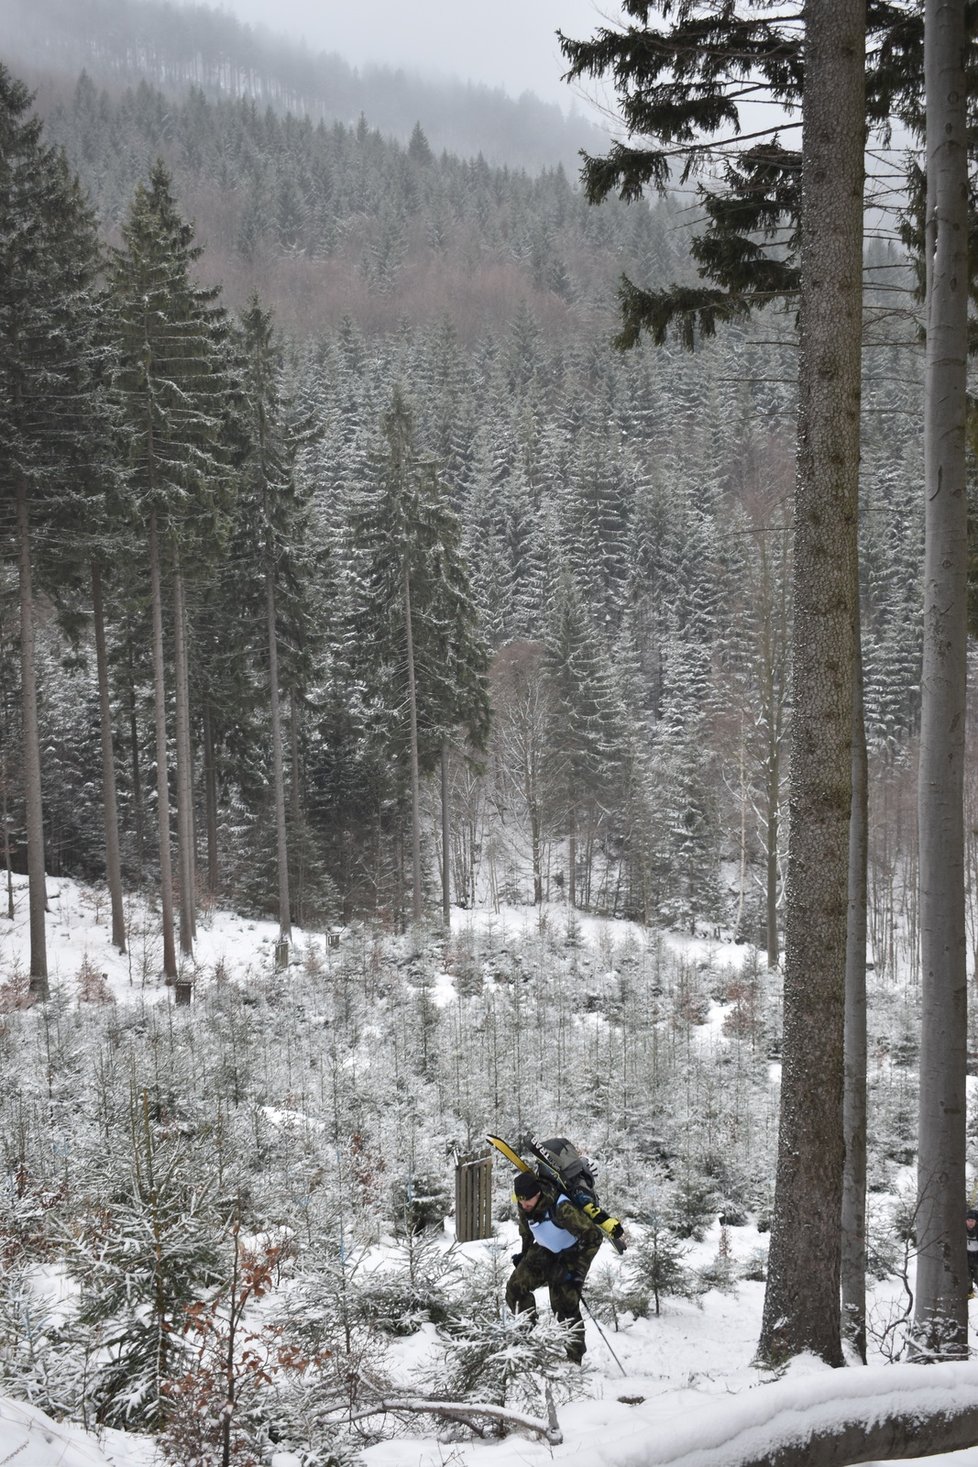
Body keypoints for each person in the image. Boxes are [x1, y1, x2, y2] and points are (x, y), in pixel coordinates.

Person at [505, 1168, 604, 1364]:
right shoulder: (524, 1206)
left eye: (528, 1201)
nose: (524, 1205)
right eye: (520, 1201)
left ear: (538, 1194)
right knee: (515, 1288)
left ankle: (574, 1358)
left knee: (564, 1304)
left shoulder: (562, 1208)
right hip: (544, 1249)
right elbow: (527, 1232)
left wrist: (577, 1271)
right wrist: (524, 1256)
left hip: (572, 1254)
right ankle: (524, 1334)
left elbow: (594, 1238)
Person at [966, 1209, 978, 1297]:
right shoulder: (961, 1230)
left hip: (977, 1257)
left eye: (972, 1221)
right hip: (966, 1256)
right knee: (967, 1278)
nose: (970, 1223)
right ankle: (969, 1294)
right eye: (969, 1220)